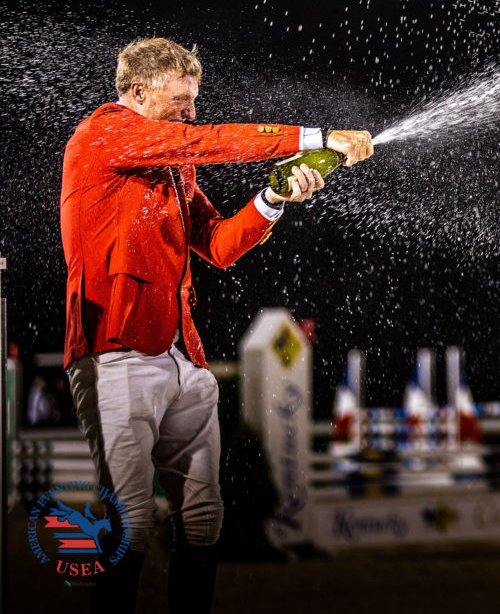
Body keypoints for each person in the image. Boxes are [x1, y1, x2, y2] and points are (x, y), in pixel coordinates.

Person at [60, 37, 373, 613]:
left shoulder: (173, 167)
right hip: (115, 350)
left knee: (204, 520)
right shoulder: (100, 132)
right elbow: (202, 142)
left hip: (183, 355)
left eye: (194, 100)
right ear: (136, 93)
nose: (191, 113)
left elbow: (219, 246)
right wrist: (315, 137)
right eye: (181, 100)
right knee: (128, 521)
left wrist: (275, 196)